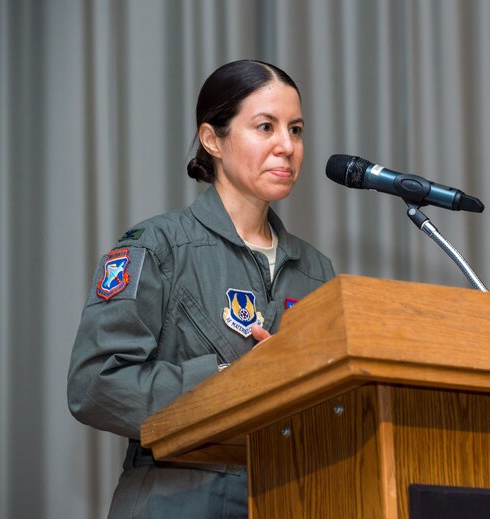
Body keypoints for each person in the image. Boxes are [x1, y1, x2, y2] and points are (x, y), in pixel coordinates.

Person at [67, 59, 335, 518]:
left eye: (296, 129)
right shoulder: (157, 246)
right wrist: (227, 382)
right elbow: (95, 384)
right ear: (213, 139)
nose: (286, 146)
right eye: (265, 127)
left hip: (287, 495)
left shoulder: (317, 270)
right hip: (175, 495)